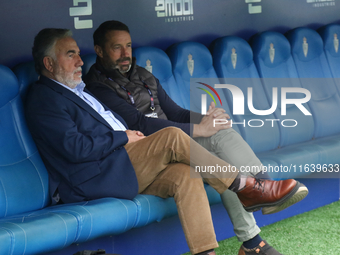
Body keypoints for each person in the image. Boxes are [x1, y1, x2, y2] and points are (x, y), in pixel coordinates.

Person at [26, 28, 307, 255]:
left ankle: (207, 251)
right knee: (173, 136)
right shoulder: (45, 97)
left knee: (187, 174)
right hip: (97, 175)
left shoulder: (79, 90)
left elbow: (172, 112)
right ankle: (248, 186)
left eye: (78, 54)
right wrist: (121, 136)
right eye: (71, 54)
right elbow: (75, 148)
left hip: (122, 162)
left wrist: (203, 121)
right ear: (49, 63)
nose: (79, 61)